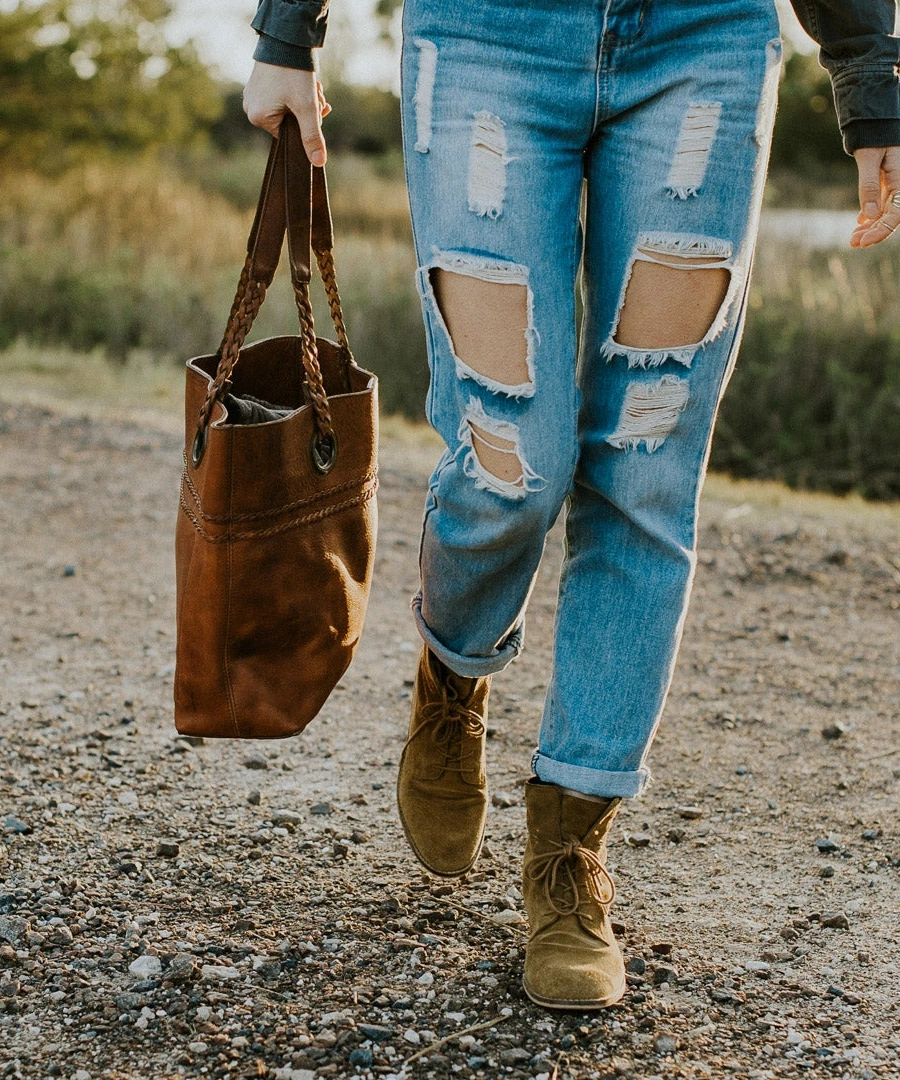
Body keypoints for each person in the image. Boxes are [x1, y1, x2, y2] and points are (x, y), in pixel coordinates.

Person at [242, 0, 900, 1010]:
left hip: (705, 44)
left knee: (646, 460)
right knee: (513, 458)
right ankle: (453, 670)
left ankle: (570, 852)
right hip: (484, 40)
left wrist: (868, 70)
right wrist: (288, 31)